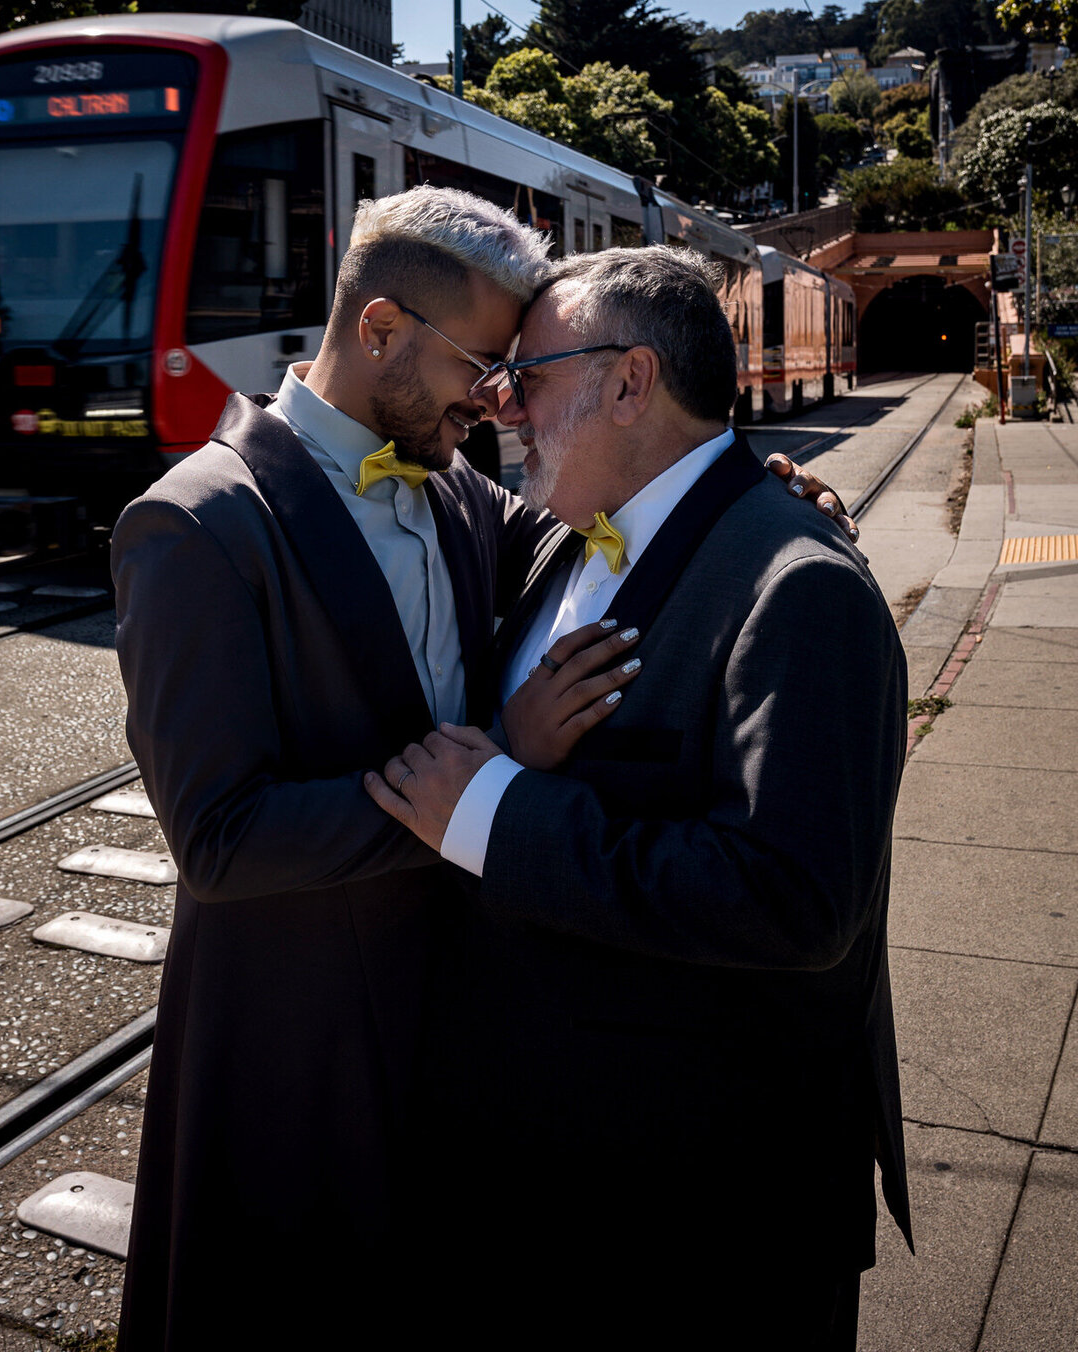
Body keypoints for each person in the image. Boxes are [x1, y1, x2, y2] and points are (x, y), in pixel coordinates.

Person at [112, 194, 855, 1348]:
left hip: (458, 1052)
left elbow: (643, 516)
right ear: (379, 331)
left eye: (519, 370)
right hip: (294, 1047)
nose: (499, 397)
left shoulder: (464, 493)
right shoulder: (197, 524)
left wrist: (755, 490)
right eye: (482, 363)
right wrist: (494, 770)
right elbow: (217, 838)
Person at [368, 245, 910, 1352]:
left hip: (703, 1221)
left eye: (533, 373)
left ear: (630, 382)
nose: (503, 401)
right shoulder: (562, 540)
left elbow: (795, 899)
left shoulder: (796, 586)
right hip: (554, 1184)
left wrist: (494, 813)